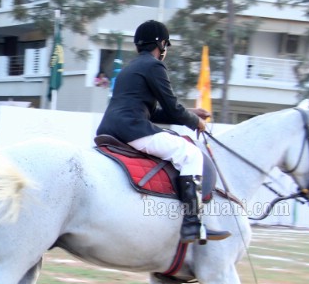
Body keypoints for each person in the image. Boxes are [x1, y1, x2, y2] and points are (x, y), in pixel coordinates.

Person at [96, 20, 230, 244]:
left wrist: (189, 112)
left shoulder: (130, 68)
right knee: (191, 154)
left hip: (111, 128)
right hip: (133, 130)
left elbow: (154, 112)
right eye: (165, 45)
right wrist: (196, 121)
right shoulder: (154, 66)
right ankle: (192, 223)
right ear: (161, 45)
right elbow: (172, 107)